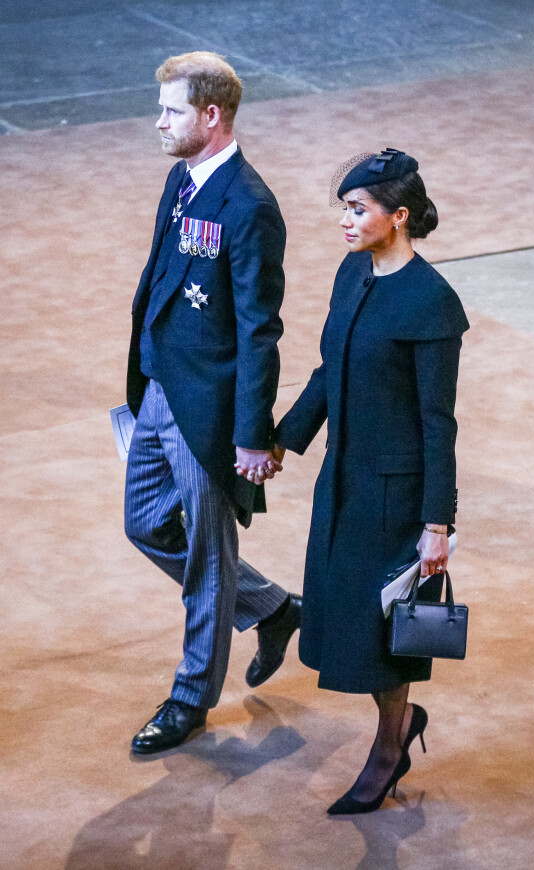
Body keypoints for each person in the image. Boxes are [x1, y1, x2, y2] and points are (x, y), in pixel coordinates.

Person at [273, 148, 469, 813]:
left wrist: (437, 525)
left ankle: (390, 742)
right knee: (348, 620)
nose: (345, 223)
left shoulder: (432, 303)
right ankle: (397, 726)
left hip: (395, 498)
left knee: (381, 633)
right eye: (344, 210)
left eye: (357, 211)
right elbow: (329, 370)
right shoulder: (352, 274)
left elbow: (438, 424)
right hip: (344, 483)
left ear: (399, 216)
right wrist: (282, 440)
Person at [125, 51, 301, 755]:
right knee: (143, 523)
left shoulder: (250, 208)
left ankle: (191, 698)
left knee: (205, 559)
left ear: (212, 115)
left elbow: (262, 328)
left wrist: (253, 435)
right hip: (161, 389)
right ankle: (273, 607)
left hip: (212, 415)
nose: (158, 122)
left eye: (171, 110)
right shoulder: (182, 179)